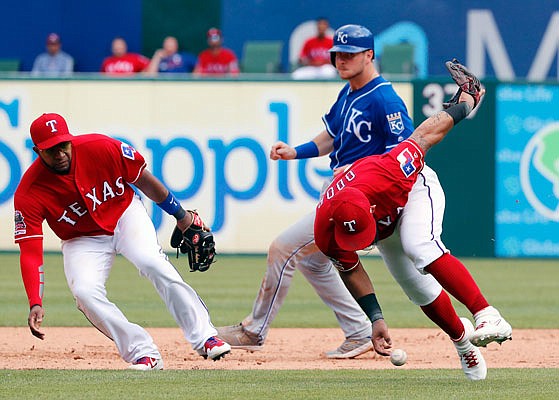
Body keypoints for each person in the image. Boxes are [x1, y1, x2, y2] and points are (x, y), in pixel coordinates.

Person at [217, 25, 512, 381]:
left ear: (369, 55)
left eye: (350, 54)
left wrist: (466, 103)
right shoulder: (329, 225)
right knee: (416, 288)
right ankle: (463, 343)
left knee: (420, 247)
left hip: (406, 189)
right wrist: (376, 319)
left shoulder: (388, 143)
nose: (341, 60)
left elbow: (423, 136)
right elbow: (350, 267)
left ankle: (486, 312)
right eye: (337, 54)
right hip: (359, 198)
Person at [14, 113, 231, 370]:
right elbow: (30, 252)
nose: (60, 153)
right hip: (81, 239)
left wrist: (181, 216)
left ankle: (205, 337)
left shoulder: (102, 147)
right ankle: (143, 353)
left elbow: (144, 181)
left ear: (70, 140)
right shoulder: (29, 192)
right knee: (84, 292)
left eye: (63, 144)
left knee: (151, 262)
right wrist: (34, 301)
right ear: (37, 150)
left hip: (124, 214)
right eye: (51, 149)